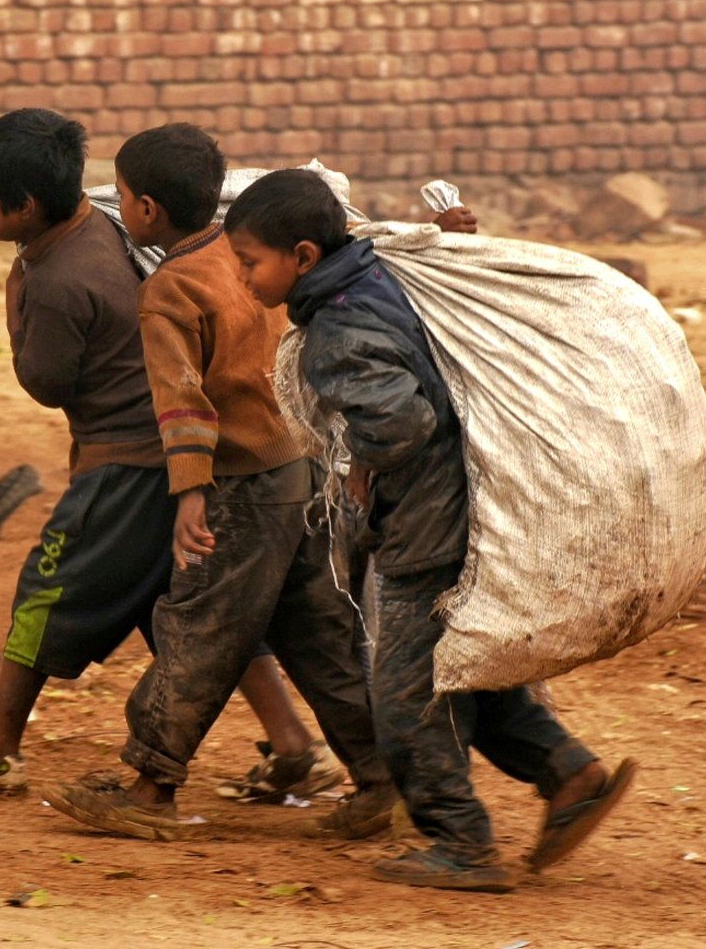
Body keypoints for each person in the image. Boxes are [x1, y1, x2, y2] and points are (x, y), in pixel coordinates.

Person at [0, 109, 345, 805]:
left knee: (44, 591)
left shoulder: (54, 280)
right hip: (181, 458)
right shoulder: (103, 223)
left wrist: (16, 296)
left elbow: (46, 383)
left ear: (24, 206)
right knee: (188, 603)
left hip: (129, 465)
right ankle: (293, 748)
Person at [223, 168, 637, 893]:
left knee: (407, 692)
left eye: (251, 262)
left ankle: (459, 842)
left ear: (303, 257)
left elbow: (400, 421)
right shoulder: (381, 272)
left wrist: (357, 460)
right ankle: (570, 773)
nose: (243, 277)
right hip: (474, 508)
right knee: (459, 668)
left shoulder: (338, 327)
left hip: (427, 524)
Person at [41, 124, 397, 841]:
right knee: (319, 635)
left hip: (242, 487)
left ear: (142, 211)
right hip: (299, 471)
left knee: (199, 628)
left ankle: (149, 787)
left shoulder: (173, 288)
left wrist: (190, 495)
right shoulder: (250, 260)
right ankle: (383, 776)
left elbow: (183, 403)